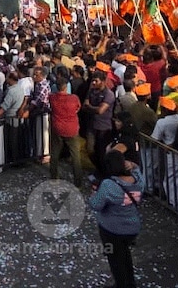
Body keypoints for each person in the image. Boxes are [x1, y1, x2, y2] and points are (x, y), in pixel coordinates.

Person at [87, 150, 144, 288]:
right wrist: (132, 164)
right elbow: (137, 168)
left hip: (112, 230)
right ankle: (130, 283)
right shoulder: (138, 179)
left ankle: (122, 284)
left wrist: (94, 193)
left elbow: (96, 205)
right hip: (132, 227)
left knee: (116, 261)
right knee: (125, 256)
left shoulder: (108, 185)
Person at [49, 68, 84, 187]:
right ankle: (78, 181)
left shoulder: (52, 98)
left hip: (57, 128)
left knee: (54, 154)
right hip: (72, 129)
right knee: (76, 156)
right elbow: (78, 108)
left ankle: (54, 177)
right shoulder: (74, 98)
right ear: (65, 87)